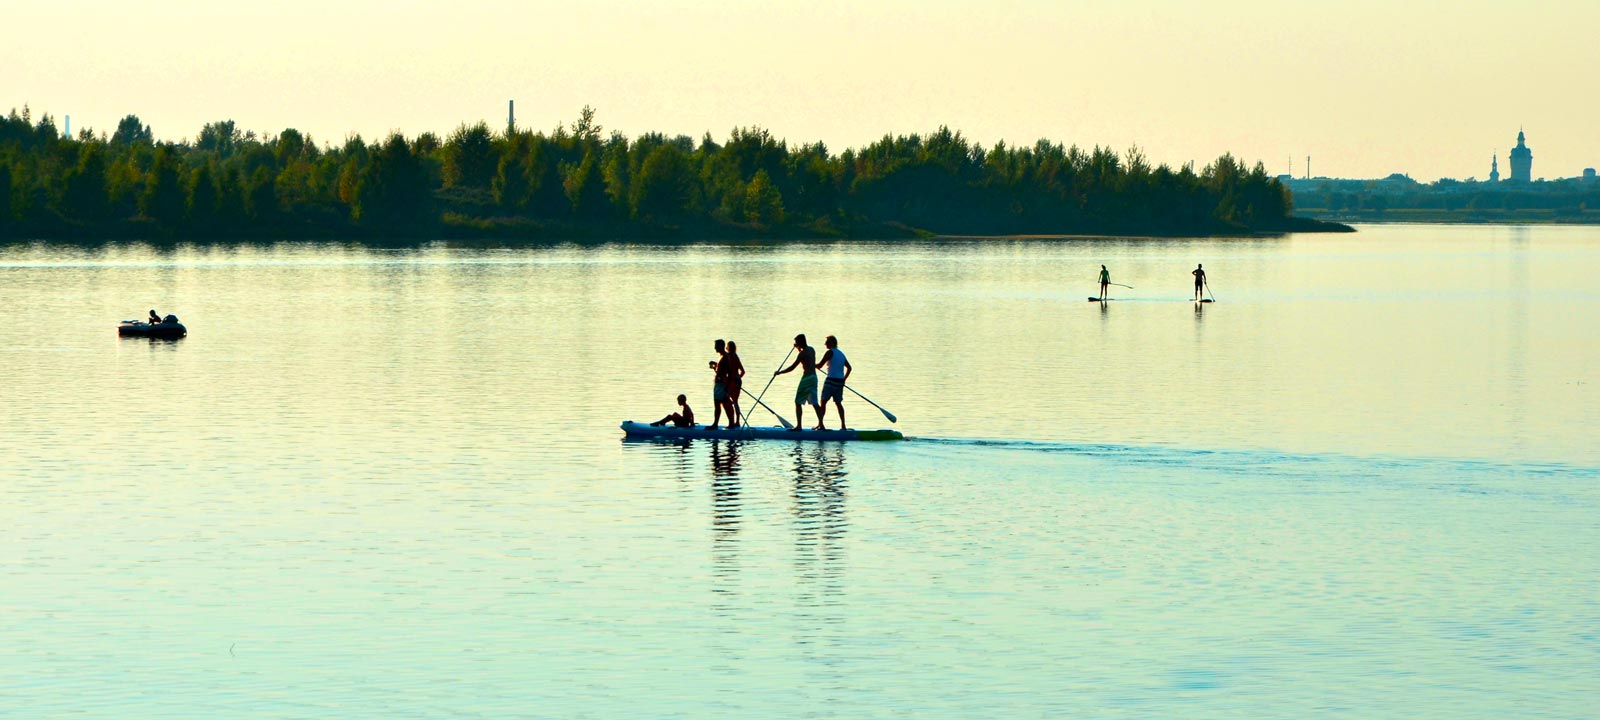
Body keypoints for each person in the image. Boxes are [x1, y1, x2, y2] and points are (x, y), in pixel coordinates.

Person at [773, 333, 821, 431]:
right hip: (814, 377)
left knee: (797, 402)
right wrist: (798, 349)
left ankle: (799, 426)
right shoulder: (812, 350)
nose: (795, 344)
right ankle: (822, 425)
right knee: (815, 403)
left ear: (800, 342)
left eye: (796, 343)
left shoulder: (802, 354)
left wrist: (780, 372)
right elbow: (806, 357)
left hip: (807, 378)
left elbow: (792, 367)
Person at [815, 335, 852, 430]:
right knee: (838, 403)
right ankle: (843, 426)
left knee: (823, 402)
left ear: (831, 343)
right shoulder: (841, 354)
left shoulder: (829, 352)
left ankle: (821, 425)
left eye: (826, 342)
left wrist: (810, 363)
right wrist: (844, 379)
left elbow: (819, 365)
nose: (825, 344)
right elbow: (849, 368)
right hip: (839, 382)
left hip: (830, 381)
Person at [723, 340, 746, 428]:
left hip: (732, 382)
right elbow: (743, 372)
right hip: (737, 381)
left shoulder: (729, 356)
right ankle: (737, 422)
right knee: (735, 402)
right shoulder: (736, 356)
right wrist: (738, 378)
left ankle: (732, 422)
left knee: (728, 401)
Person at [708, 339, 729, 430]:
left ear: (721, 346)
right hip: (722, 384)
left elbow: (720, 372)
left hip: (720, 384)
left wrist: (713, 367)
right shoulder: (722, 356)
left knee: (717, 404)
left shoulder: (724, 356)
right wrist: (716, 364)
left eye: (716, 346)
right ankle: (731, 422)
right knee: (724, 403)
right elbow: (721, 368)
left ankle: (715, 424)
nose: (714, 348)